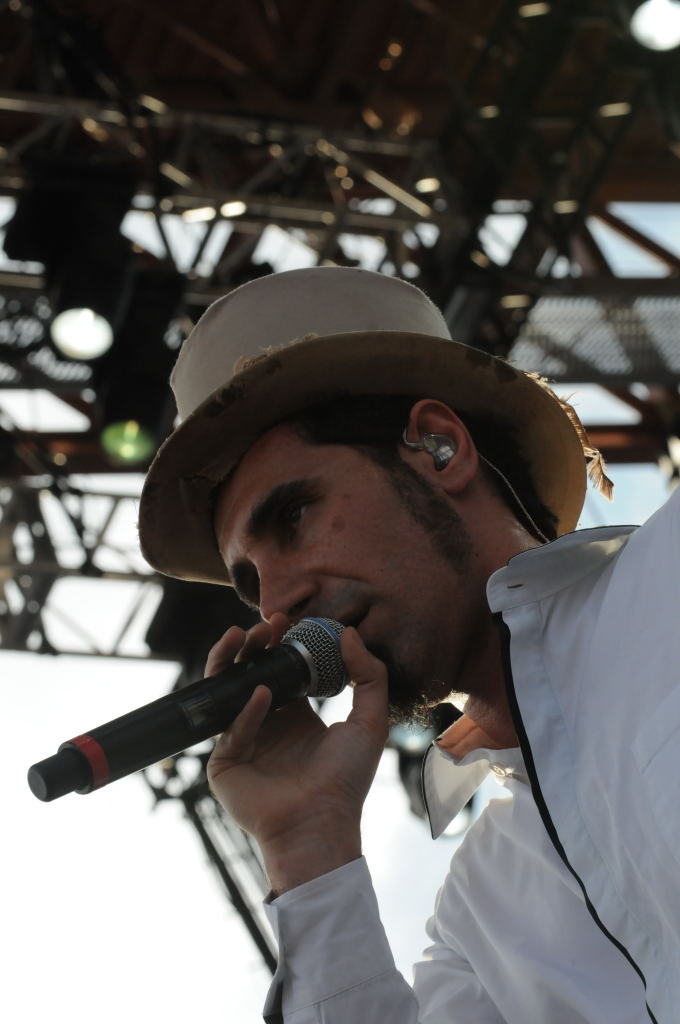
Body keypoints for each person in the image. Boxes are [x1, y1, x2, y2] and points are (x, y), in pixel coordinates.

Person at [138, 267, 679, 1023]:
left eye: (293, 517)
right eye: (249, 582)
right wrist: (306, 849)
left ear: (439, 448)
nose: (276, 602)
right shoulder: (478, 922)